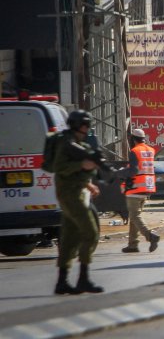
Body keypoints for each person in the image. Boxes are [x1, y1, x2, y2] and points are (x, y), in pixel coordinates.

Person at [52, 110, 103, 295]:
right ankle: (83, 279)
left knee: (69, 238)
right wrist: (82, 165)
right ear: (78, 125)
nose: (87, 129)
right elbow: (60, 168)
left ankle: (62, 281)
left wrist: (88, 185)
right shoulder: (66, 143)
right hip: (70, 195)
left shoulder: (76, 143)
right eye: (86, 125)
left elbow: (75, 174)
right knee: (91, 233)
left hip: (75, 193)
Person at [121, 129, 160, 253]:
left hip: (135, 187)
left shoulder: (135, 151)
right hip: (147, 187)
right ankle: (133, 244)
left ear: (133, 139)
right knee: (134, 217)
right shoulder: (150, 150)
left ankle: (150, 236)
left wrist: (118, 173)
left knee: (134, 215)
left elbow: (133, 171)